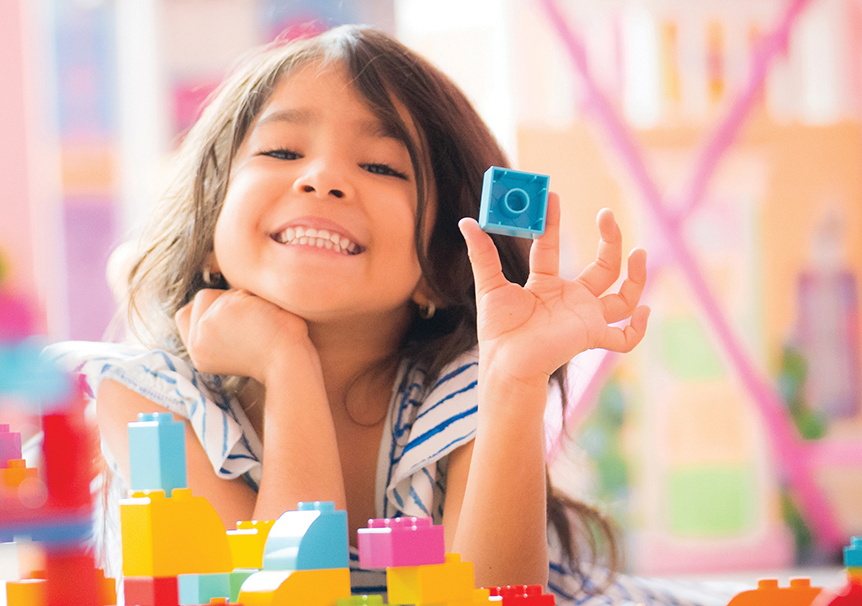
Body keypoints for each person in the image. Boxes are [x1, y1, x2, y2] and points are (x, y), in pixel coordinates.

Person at [47, 25, 738, 606]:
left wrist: (516, 381)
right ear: (210, 219)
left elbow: (494, 600)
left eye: (382, 166)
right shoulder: (147, 401)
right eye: (283, 151)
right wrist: (288, 367)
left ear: (440, 263)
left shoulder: (465, 388)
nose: (322, 177)